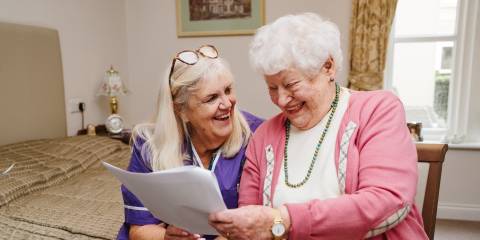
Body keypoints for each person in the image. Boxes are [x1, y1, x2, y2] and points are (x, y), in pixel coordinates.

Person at [209, 13, 428, 239]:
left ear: (328, 68)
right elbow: (251, 221)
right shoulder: (264, 136)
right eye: (272, 88)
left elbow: (387, 201)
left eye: (291, 84)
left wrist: (284, 221)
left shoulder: (377, 110)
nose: (281, 100)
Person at [117, 45, 263, 240]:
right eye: (211, 98)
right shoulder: (150, 145)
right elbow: (140, 229)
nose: (227, 104)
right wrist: (167, 238)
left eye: (228, 90)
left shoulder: (257, 135)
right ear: (181, 110)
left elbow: (261, 218)